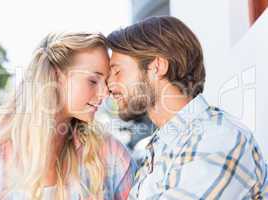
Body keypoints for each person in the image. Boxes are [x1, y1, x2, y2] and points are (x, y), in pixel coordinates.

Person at [107, 16, 268, 199]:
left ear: (157, 67)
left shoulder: (216, 138)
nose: (109, 84)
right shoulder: (165, 145)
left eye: (117, 72)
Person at [0, 32, 136, 200]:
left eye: (105, 82)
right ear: (55, 76)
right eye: (92, 81)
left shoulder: (110, 156)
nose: (105, 92)